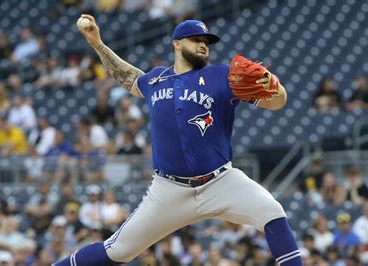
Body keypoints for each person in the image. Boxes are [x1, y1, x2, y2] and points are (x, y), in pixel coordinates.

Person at [55, 16, 299, 265]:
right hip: (169, 189)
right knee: (118, 250)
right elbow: (127, 77)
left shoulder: (222, 75)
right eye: (196, 39)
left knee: (273, 212)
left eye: (206, 41)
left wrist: (275, 87)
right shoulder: (155, 79)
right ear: (177, 44)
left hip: (221, 181)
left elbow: (276, 102)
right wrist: (98, 44)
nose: (203, 45)